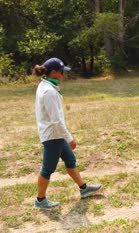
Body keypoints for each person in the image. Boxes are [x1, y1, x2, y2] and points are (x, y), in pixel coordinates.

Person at [32, 57, 102, 209]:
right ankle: (40, 200)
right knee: (48, 168)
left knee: (70, 159)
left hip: (56, 134)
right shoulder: (49, 91)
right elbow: (56, 121)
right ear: (54, 72)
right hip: (53, 135)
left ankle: (84, 189)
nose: (64, 74)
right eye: (62, 71)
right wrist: (70, 138)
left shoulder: (46, 85)